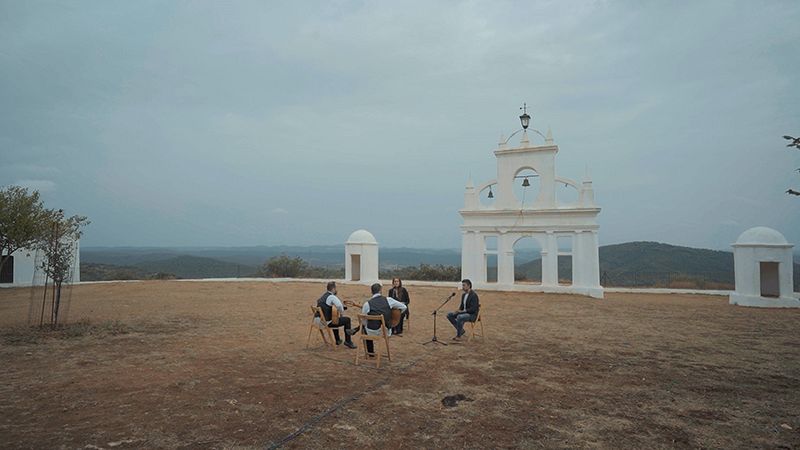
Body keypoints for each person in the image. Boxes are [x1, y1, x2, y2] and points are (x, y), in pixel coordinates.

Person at [361, 282, 407, 356]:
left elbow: (363, 320)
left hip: (371, 332)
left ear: (371, 292)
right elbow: (404, 307)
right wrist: (394, 314)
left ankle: (370, 352)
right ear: (380, 291)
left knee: (364, 328)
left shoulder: (367, 304)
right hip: (385, 331)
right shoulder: (389, 300)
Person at [315, 281, 358, 349]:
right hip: (325, 323)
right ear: (333, 289)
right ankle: (348, 341)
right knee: (347, 320)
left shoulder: (323, 296)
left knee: (335, 318)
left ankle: (337, 340)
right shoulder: (332, 297)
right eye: (335, 288)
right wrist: (341, 313)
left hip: (317, 321)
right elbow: (339, 305)